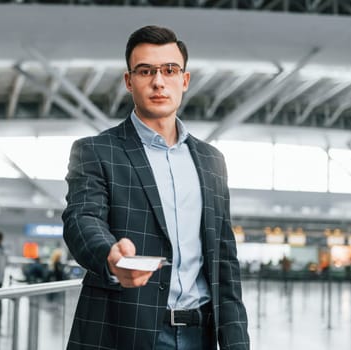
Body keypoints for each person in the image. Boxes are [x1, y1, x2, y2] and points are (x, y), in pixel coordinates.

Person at [62, 25, 250, 350]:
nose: (159, 81)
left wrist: (237, 342)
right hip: (122, 331)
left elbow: (224, 260)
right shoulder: (96, 151)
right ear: (129, 81)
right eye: (146, 71)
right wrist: (110, 254)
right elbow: (82, 218)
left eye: (169, 70)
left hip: (200, 333)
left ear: (184, 80)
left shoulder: (211, 160)